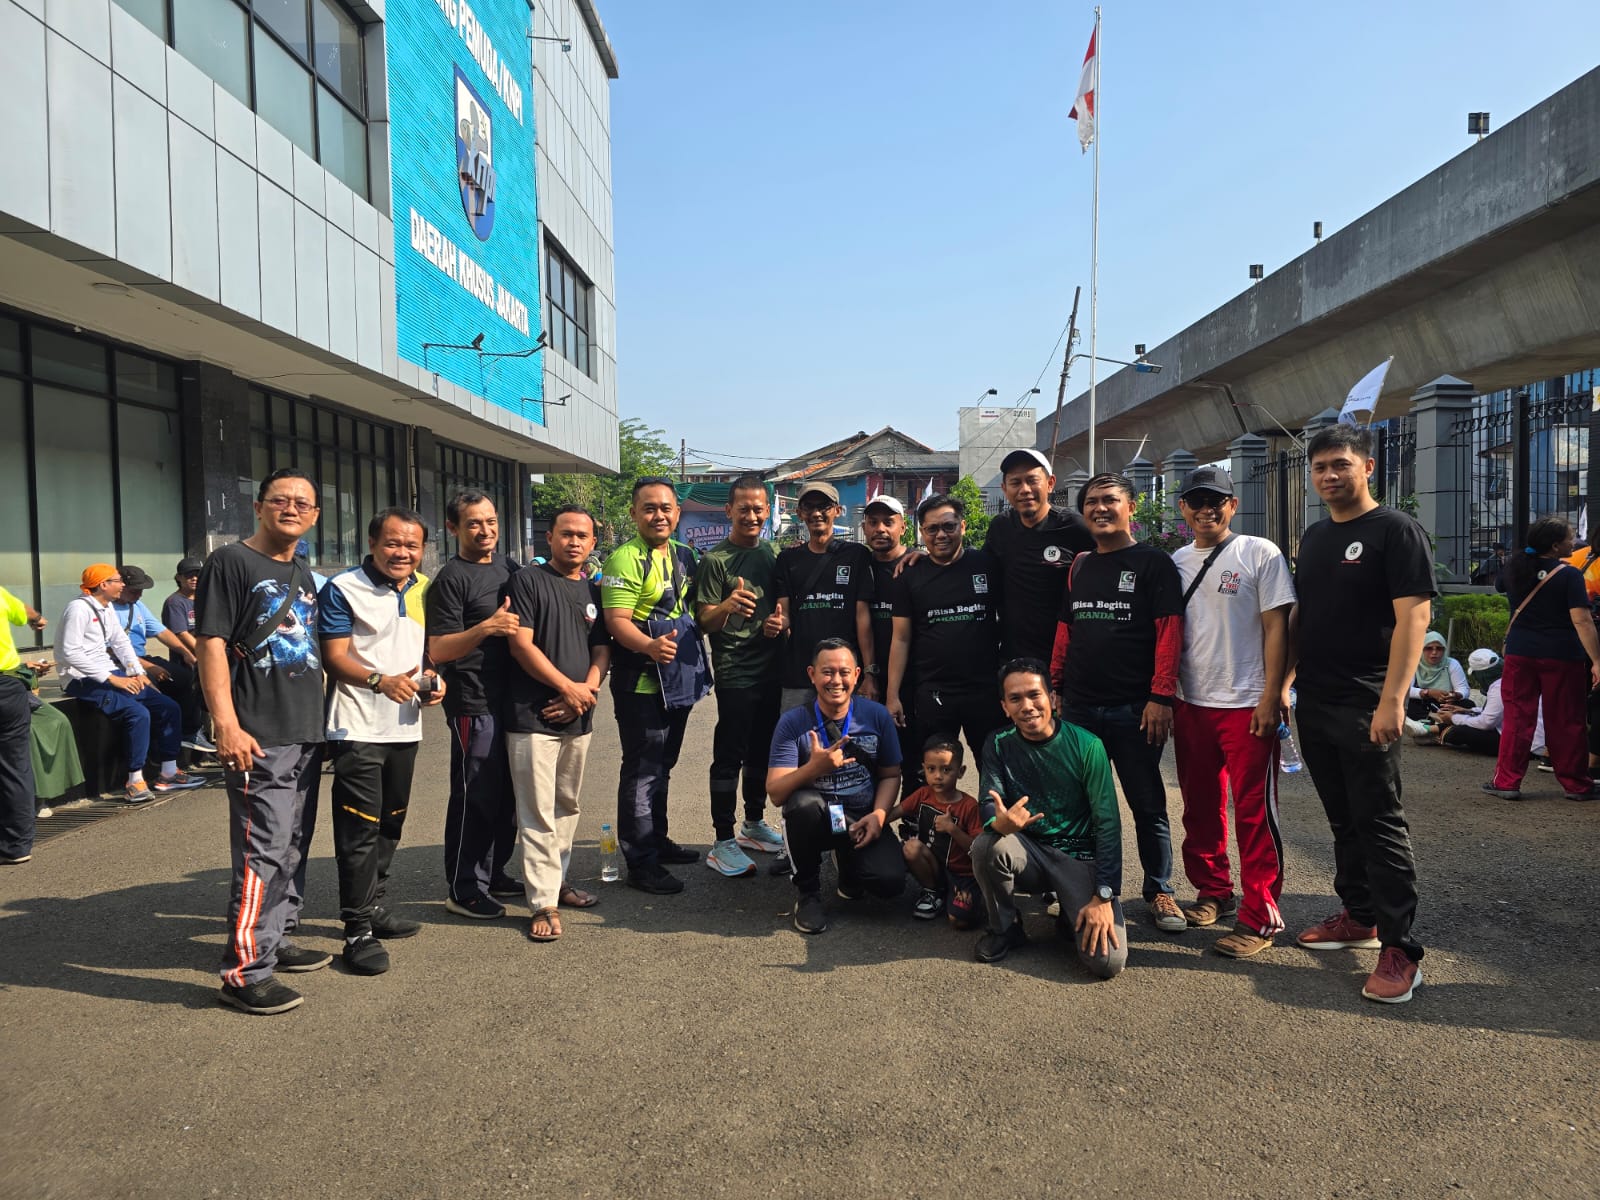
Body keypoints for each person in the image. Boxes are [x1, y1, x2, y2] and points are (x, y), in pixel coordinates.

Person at [1289, 423, 1434, 1005]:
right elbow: (1304, 617)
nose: (1329, 475)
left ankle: (1401, 949)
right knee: (1343, 818)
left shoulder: (1395, 530)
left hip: (1367, 701)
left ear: (1368, 467)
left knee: (1379, 820)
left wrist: (1393, 700)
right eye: (1320, 467)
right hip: (1316, 699)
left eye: (1340, 465)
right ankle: (1360, 915)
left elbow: (1414, 618)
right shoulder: (1316, 536)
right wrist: (1284, 685)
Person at [198, 468, 332, 1015]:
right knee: (264, 849)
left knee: (293, 844)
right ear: (259, 507)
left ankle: (275, 938)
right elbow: (211, 644)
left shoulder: (303, 571)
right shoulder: (231, 561)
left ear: (315, 515)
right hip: (258, 732)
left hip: (305, 729)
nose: (291, 508)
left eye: (303, 502)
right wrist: (226, 723)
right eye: (281, 500)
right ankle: (244, 972)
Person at [1048, 472, 1186, 935]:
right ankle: (1081, 887)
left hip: (1135, 709)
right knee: (1080, 805)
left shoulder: (1153, 563)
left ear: (1131, 507)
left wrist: (1160, 697)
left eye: (1109, 500)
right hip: (1081, 707)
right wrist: (1057, 686)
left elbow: (1169, 632)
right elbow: (1066, 629)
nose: (1099, 508)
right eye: (1091, 502)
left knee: (1147, 803)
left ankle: (1159, 889)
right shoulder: (1081, 564)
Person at [1170, 467, 1296, 959]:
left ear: (1232, 505)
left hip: (1247, 704)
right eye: (1197, 501)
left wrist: (1272, 694)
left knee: (1254, 813)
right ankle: (1213, 891)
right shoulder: (1176, 561)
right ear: (1183, 508)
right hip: (1191, 702)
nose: (1207, 510)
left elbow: (1277, 628)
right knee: (1199, 806)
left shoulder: (1259, 553)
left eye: (1216, 501)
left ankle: (1260, 914)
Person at [319, 508, 443, 975]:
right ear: (371, 543)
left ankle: (373, 907)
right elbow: (334, 657)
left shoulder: (424, 588)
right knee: (359, 830)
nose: (402, 553)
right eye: (392, 543)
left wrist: (433, 678)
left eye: (412, 545)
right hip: (357, 727)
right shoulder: (343, 588)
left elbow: (424, 651)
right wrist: (378, 680)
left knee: (391, 822)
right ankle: (356, 930)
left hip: (405, 726)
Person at [969, 658, 1126, 978]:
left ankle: (1071, 911)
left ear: (1052, 698)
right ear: (1005, 707)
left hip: (1078, 857)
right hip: (1030, 853)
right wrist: (1000, 824)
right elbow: (988, 802)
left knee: (1107, 963)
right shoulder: (997, 743)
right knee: (986, 845)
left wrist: (1104, 895)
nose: (1027, 706)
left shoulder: (1087, 745)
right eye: (1015, 699)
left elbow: (1108, 824)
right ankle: (1005, 928)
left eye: (1034, 695)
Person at [504, 506, 611, 941]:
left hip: (579, 716)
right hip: (533, 716)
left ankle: (557, 881)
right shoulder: (527, 581)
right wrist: (567, 688)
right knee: (536, 812)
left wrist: (585, 692)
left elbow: (602, 650)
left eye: (582, 536)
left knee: (567, 805)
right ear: (549, 538)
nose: (574, 542)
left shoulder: (592, 588)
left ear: (592, 543)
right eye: (566, 534)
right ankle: (542, 902)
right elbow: (520, 646)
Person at [601, 477, 711, 895]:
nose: (658, 515)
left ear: (677, 513)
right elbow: (616, 622)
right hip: (641, 686)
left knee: (664, 765)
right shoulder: (624, 559)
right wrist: (648, 645)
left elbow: (697, 610)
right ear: (634, 513)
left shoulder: (685, 554)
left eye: (666, 508)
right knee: (642, 771)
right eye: (649, 508)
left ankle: (657, 840)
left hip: (678, 683)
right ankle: (641, 862)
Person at [425, 490, 523, 919]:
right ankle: (464, 887)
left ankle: (494, 872)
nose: (485, 530)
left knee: (507, 795)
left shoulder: (508, 567)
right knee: (476, 794)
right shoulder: (450, 579)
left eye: (491, 521)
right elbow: (439, 648)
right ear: (453, 528)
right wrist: (487, 627)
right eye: (474, 523)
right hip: (472, 700)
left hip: (512, 698)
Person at [767, 638, 905, 934]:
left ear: (857, 675)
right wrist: (813, 769)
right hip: (818, 817)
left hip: (861, 817)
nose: (836, 681)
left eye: (844, 672)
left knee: (890, 882)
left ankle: (847, 863)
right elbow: (776, 793)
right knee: (802, 805)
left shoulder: (876, 715)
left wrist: (879, 815)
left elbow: (891, 775)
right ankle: (807, 893)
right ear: (812, 675)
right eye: (827, 672)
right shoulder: (793, 723)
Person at [693, 475, 788, 879]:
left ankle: (753, 823)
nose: (751, 515)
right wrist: (727, 606)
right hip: (735, 670)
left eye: (758, 508)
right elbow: (703, 621)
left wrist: (778, 624)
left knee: (761, 751)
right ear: (728, 510)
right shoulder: (715, 560)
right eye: (743, 508)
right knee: (729, 755)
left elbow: (781, 610)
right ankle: (721, 840)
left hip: (772, 669)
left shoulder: (772, 552)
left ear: (767, 510)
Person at [56, 565, 201, 802]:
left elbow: (121, 642)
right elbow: (70, 653)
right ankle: (135, 781)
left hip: (111, 672)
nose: (122, 585)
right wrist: (113, 679)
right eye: (117, 581)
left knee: (168, 707)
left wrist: (137, 672)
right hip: (81, 679)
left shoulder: (106, 608)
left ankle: (168, 772)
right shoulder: (78, 609)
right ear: (103, 584)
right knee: (138, 713)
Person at [1482, 517, 1600, 803]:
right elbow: (1582, 620)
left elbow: (1500, 585)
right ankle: (1576, 784)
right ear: (1556, 545)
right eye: (1570, 538)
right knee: (1566, 720)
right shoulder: (1569, 575)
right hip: (1562, 655)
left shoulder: (1516, 567)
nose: (1575, 542)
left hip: (1520, 653)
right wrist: (1597, 660)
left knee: (1517, 718)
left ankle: (1507, 782)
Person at [887, 493, 1006, 768]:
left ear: (962, 526)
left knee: (996, 768)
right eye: (932, 529)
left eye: (948, 526)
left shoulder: (986, 565)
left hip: (984, 690)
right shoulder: (909, 575)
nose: (941, 535)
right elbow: (901, 638)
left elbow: (1009, 617)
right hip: (934, 691)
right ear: (922, 532)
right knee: (934, 773)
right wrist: (892, 696)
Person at [772, 482, 876, 711]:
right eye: (809, 507)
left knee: (846, 733)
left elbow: (863, 617)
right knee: (797, 732)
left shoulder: (856, 555)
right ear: (799, 513)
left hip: (844, 672)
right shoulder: (787, 560)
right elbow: (784, 614)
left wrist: (869, 672)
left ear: (837, 510)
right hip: (799, 673)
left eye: (824, 506)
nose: (816, 513)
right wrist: (776, 623)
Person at [984, 449, 1096, 659]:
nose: (1024, 490)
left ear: (1050, 483)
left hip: (1065, 656)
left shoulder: (1074, 527)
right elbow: (979, 568)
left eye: (1032, 480)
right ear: (1005, 489)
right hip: (1014, 656)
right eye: (1015, 482)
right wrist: (926, 560)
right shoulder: (1001, 527)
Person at [886, 735, 983, 926]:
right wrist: (870, 821)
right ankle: (933, 891)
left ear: (961, 771)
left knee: (959, 921)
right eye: (931, 769)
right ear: (924, 769)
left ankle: (974, 896)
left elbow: (977, 850)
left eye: (946, 769)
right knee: (911, 847)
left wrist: (952, 829)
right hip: (935, 866)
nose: (938, 776)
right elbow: (895, 812)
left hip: (963, 875)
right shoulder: (923, 794)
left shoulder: (970, 806)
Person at [114, 564, 206, 755]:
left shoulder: (137, 606)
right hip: (120, 662)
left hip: (141, 656)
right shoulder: (107, 610)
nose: (139, 595)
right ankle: (157, 750)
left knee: (186, 678)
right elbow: (113, 651)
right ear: (120, 586)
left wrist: (186, 653)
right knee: (152, 688)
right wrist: (150, 668)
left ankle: (189, 733)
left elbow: (161, 632)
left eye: (141, 590)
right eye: (134, 591)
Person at [861, 495, 918, 789]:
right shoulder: (859, 564)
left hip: (913, 682)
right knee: (866, 762)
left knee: (913, 764)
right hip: (867, 682)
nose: (880, 529)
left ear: (903, 527)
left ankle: (911, 817)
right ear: (864, 528)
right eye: (873, 522)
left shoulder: (919, 564)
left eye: (888, 522)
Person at [0, 584, 48, 865]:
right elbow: (26, 612)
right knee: (15, 767)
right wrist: (37, 619)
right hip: (7, 687)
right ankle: (17, 846)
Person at [163, 557, 215, 754]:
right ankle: (191, 735)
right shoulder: (175, 602)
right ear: (179, 578)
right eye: (189, 575)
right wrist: (204, 653)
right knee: (192, 698)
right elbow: (180, 633)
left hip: (209, 657)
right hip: (188, 660)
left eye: (197, 574)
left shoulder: (205, 599)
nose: (194, 578)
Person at [1431, 648, 1507, 755]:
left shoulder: (1498, 688)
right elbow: (1495, 711)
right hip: (1512, 733)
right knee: (1466, 712)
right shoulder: (1504, 681)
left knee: (1458, 732)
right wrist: (1467, 710)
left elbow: (1486, 723)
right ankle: (1430, 730)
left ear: (1481, 674)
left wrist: (1453, 718)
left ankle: (1432, 733)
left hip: (1511, 741)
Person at [1403, 632, 1468, 728]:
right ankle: (1437, 720)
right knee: (1405, 702)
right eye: (1429, 648)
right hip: (1422, 704)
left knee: (1468, 704)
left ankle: (1433, 724)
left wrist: (1455, 695)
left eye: (1439, 648)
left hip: (1445, 704)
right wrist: (1428, 693)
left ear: (1444, 650)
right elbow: (1405, 690)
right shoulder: (1414, 664)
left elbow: (1463, 688)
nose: (1434, 652)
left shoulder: (1451, 664)